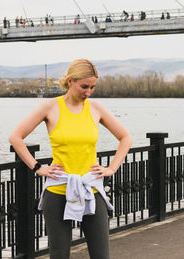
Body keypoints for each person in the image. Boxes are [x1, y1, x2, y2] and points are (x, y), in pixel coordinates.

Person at [9, 59, 132, 259]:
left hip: (91, 190)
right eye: (84, 86)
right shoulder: (50, 107)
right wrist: (37, 167)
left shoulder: (95, 109)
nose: (89, 92)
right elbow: (15, 137)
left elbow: (126, 137)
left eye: (93, 87)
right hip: (58, 191)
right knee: (59, 255)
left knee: (102, 255)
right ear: (70, 81)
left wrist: (111, 168)